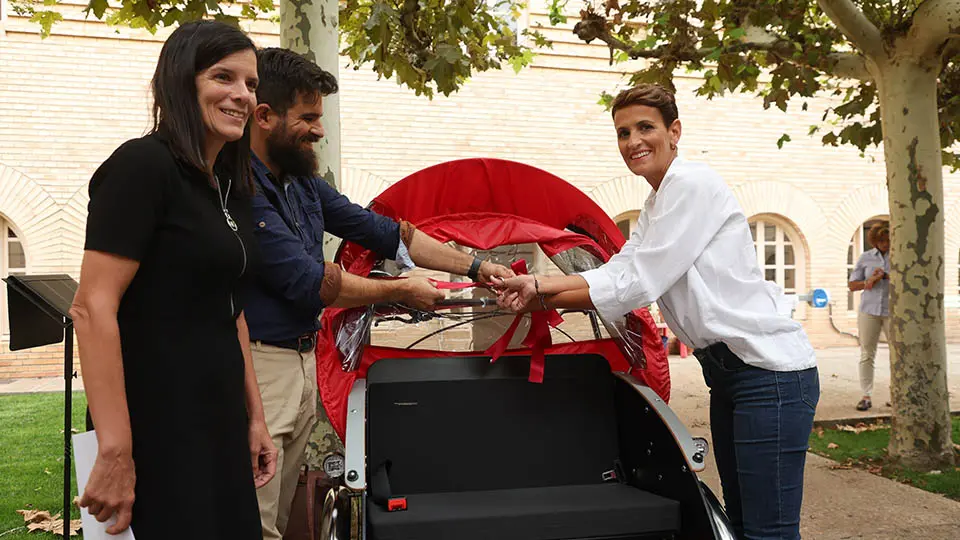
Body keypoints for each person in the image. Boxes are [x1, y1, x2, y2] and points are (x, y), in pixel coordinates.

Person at [494, 84, 819, 540]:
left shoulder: (691, 184)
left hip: (768, 373)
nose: (633, 142)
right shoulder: (656, 201)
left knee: (768, 533)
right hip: (730, 372)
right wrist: (538, 289)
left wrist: (542, 290)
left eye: (645, 127)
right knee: (743, 525)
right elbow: (623, 269)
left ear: (675, 131)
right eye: (623, 132)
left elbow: (637, 282)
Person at [246, 47, 515, 539]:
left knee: (279, 517)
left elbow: (389, 233)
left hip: (302, 362)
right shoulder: (242, 188)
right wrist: (398, 291)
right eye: (307, 118)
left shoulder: (302, 182)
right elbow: (311, 281)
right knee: (253, 518)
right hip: (261, 366)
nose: (319, 131)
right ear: (264, 116)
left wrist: (477, 266)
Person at [71, 21, 276, 539]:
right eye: (223, 77)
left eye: (251, 84)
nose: (242, 95)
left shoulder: (228, 186)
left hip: (219, 424)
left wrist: (254, 417)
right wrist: (116, 451)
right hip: (157, 427)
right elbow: (93, 308)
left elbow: (230, 307)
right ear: (182, 81)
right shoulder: (143, 166)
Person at [848, 221, 890, 411]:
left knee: (898, 355)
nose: (885, 244)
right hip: (869, 310)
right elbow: (852, 285)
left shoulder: (901, 257)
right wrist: (869, 280)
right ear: (874, 241)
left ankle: (897, 396)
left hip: (893, 312)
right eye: (881, 240)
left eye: (888, 240)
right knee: (867, 353)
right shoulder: (865, 258)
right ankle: (866, 395)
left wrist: (886, 277)